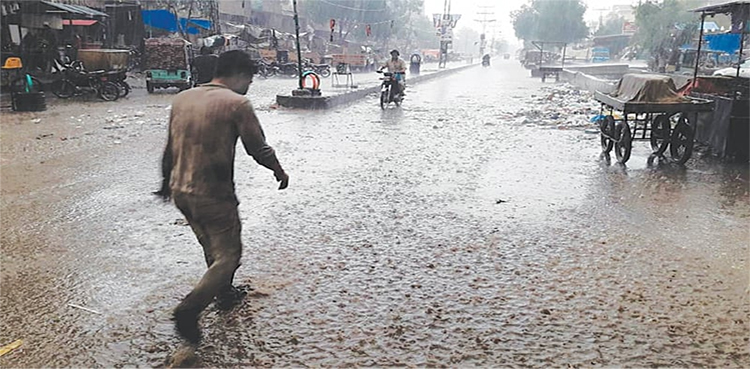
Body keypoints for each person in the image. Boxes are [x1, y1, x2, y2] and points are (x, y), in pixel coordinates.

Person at [154, 50, 289, 345]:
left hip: (181, 189)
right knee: (229, 256)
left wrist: (166, 183)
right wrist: (279, 171)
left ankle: (224, 292)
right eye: (250, 79)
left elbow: (170, 148)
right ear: (239, 74)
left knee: (212, 247)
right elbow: (258, 148)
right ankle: (189, 310)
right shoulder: (237, 104)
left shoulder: (183, 98)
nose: (249, 86)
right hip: (213, 192)